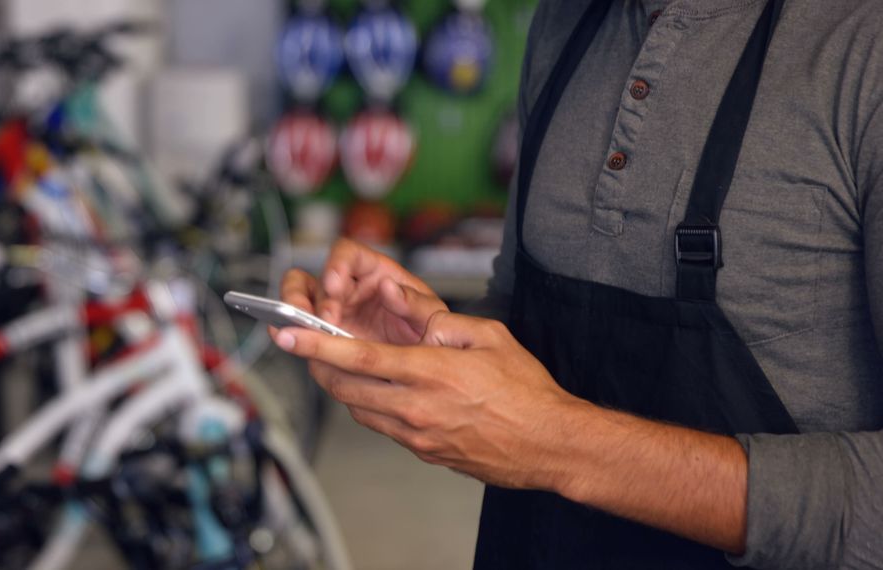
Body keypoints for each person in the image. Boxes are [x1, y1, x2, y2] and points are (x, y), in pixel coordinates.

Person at [272, 0, 883, 568]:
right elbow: (521, 310)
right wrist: (422, 341)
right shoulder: (564, 24)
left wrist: (558, 443)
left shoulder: (861, 46)